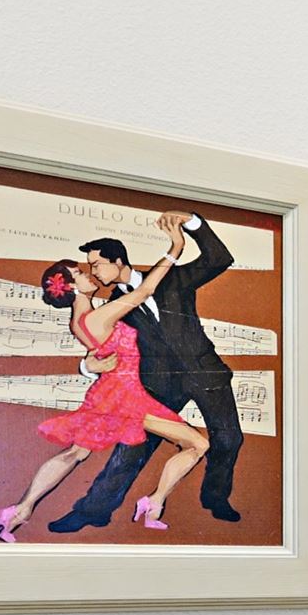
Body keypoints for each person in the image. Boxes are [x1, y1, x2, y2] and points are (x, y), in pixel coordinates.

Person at [0, 222, 214, 539]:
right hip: (126, 398)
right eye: (81, 273)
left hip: (112, 393)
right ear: (72, 287)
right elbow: (146, 290)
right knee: (197, 443)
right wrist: (175, 249)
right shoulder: (98, 316)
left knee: (75, 453)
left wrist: (91, 364)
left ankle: (19, 511)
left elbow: (100, 351)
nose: (89, 275)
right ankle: (155, 501)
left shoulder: (81, 320)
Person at [46, 213, 245, 532]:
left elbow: (220, 258)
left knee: (229, 438)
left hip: (204, 372)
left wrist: (193, 223)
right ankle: (94, 510)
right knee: (130, 451)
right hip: (156, 386)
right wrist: (87, 367)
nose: (94, 272)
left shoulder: (173, 278)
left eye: (97, 264)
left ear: (117, 260)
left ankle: (215, 498)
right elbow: (97, 346)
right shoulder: (112, 306)